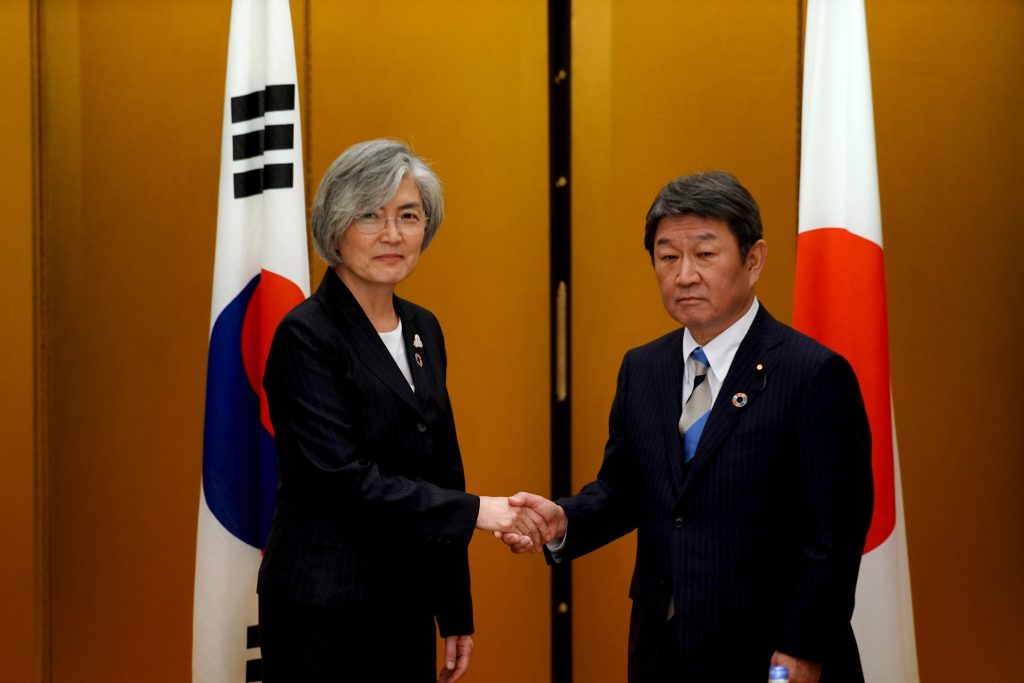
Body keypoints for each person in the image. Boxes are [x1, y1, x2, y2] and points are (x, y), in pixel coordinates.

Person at [500, 171, 874, 682]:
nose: (684, 275)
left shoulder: (811, 374)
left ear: (754, 258)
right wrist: (564, 520)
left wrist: (801, 648)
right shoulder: (643, 368)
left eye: (705, 253)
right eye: (667, 256)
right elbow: (626, 490)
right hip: (664, 648)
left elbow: (833, 532)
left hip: (770, 652)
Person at [257, 139, 547, 682]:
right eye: (370, 215)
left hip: (405, 604)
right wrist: (478, 511)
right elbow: (343, 480)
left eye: (408, 216)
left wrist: (453, 606)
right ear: (335, 227)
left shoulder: (422, 328)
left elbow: (440, 468)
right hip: (325, 610)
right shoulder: (306, 334)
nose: (392, 235)